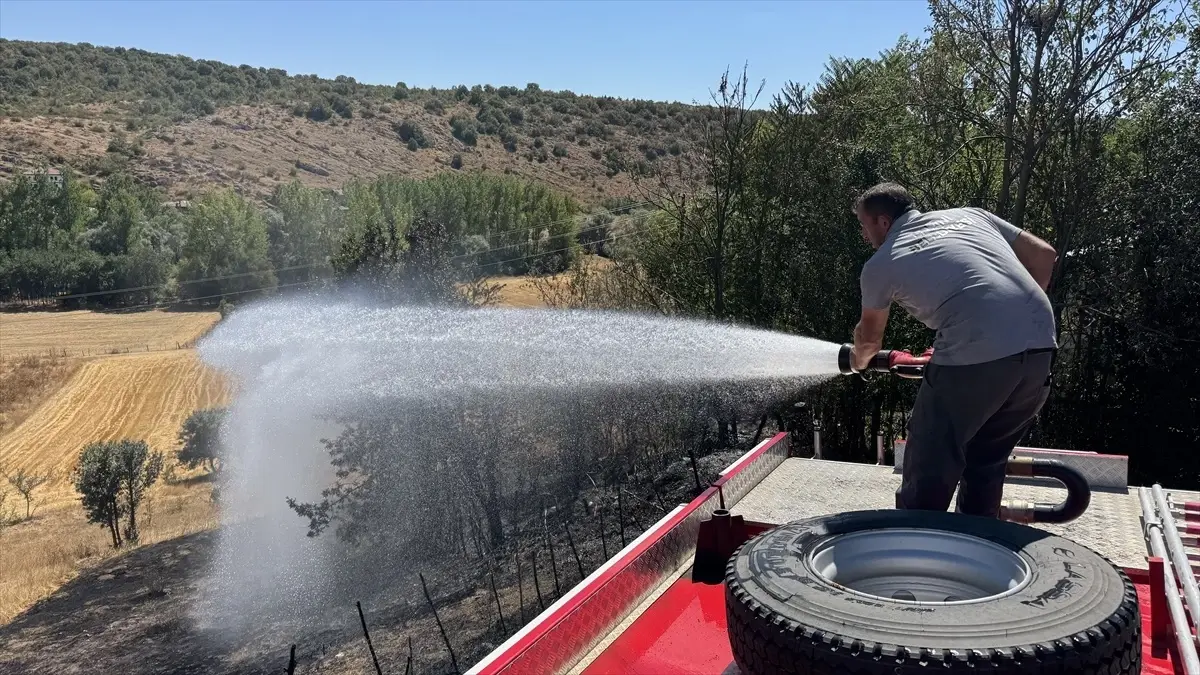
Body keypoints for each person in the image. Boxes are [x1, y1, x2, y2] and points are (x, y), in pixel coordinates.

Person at [848, 182, 1059, 518]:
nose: (863, 234)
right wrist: (1009, 327)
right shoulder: (971, 216)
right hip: (1040, 349)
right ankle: (977, 550)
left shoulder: (881, 264)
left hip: (975, 357)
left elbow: (870, 343)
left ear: (883, 222)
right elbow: (1045, 255)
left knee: (930, 458)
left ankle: (914, 544)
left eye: (864, 224)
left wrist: (858, 362)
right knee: (985, 461)